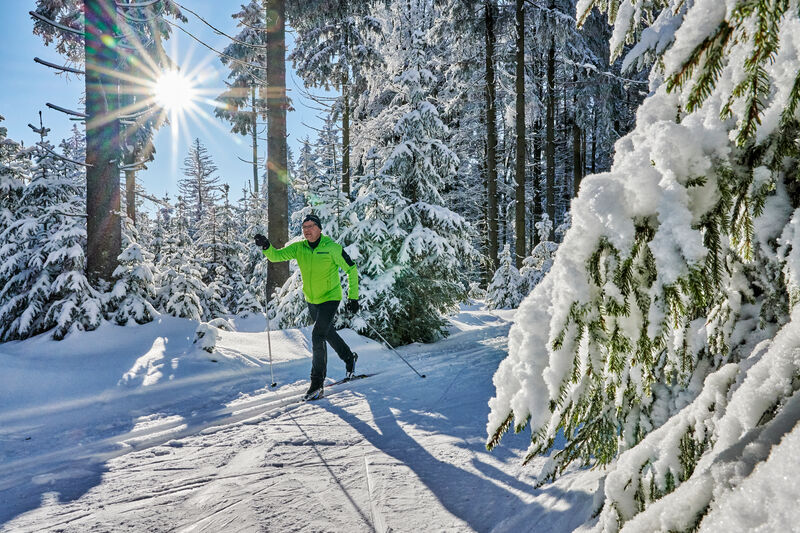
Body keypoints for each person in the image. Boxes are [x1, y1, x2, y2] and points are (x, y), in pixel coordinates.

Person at [254, 214, 359, 401]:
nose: (306, 230)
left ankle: (317, 383)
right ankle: (349, 358)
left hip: (330, 298)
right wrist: (266, 246)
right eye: (304, 227)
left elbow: (351, 268)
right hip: (312, 300)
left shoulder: (332, 248)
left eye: (310, 226)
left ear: (319, 228)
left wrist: (353, 297)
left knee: (317, 336)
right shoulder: (299, 248)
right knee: (327, 333)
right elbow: (277, 256)